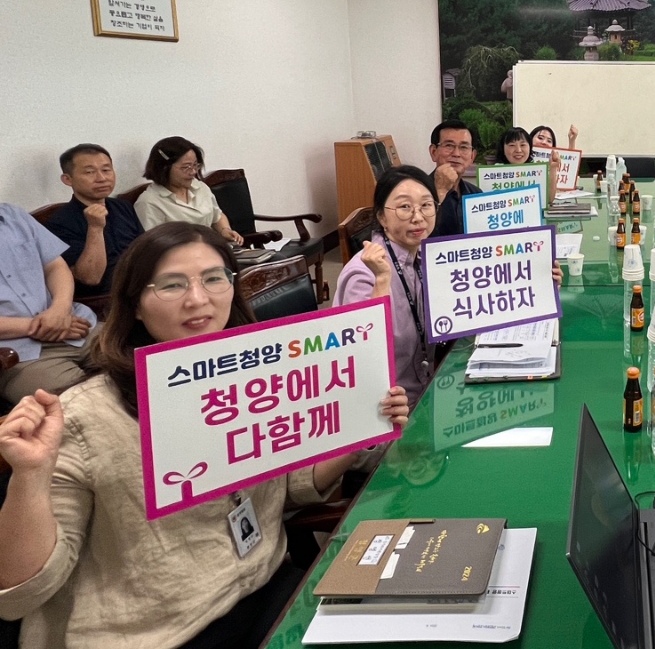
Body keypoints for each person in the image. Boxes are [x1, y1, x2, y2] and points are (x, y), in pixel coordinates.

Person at [0, 222, 410, 649]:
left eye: (214, 279)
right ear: (135, 304)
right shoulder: (84, 416)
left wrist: (361, 426)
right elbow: (22, 590)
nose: (198, 299)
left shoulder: (258, 378)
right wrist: (30, 475)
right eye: (171, 285)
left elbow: (292, 487)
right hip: (159, 634)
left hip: (268, 590)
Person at [335, 166, 439, 406]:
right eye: (405, 207)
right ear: (382, 217)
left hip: (428, 387)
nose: (418, 217)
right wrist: (382, 280)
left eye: (426, 205)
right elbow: (362, 353)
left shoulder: (423, 256)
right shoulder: (363, 274)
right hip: (387, 407)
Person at [0, 205, 97, 405]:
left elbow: (55, 266)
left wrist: (60, 310)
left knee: (144, 371)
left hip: (75, 326)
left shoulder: (13, 215)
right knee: (85, 404)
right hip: (17, 355)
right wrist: (44, 325)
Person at [45, 144, 145, 300]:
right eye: (90, 172)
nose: (102, 178)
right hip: (104, 299)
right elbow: (91, 278)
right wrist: (95, 228)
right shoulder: (59, 222)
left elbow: (145, 249)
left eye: (106, 170)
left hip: (141, 287)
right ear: (68, 179)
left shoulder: (122, 206)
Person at [134, 137, 243, 245]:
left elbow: (217, 216)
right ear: (164, 168)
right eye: (186, 167)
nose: (193, 172)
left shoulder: (200, 187)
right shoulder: (149, 202)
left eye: (195, 165)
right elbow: (152, 246)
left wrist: (225, 230)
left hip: (210, 249)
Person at [426, 120, 482, 238]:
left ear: (472, 156)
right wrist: (439, 192)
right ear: (433, 152)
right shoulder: (417, 191)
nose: (456, 154)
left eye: (464, 147)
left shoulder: (476, 194)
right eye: (449, 146)